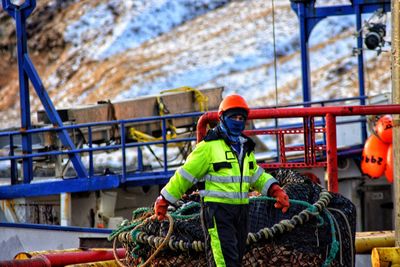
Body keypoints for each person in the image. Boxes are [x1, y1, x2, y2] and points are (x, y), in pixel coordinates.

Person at [154, 94, 290, 267]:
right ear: (222, 118)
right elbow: (185, 175)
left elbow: (255, 174)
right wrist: (164, 199)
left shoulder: (245, 148)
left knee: (236, 259)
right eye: (233, 117)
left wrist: (275, 190)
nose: (238, 121)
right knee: (223, 262)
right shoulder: (208, 147)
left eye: (241, 118)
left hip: (241, 212)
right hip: (218, 213)